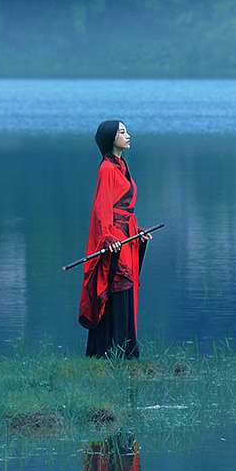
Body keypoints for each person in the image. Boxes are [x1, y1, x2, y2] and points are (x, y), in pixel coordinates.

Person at [79, 119, 144, 357]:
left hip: (126, 236)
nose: (127, 135)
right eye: (122, 132)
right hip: (115, 237)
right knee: (116, 284)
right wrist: (106, 238)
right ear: (111, 139)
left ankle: (125, 348)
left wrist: (137, 233)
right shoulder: (106, 168)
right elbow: (102, 207)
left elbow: (124, 207)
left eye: (126, 131)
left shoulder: (121, 166)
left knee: (125, 287)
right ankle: (110, 350)